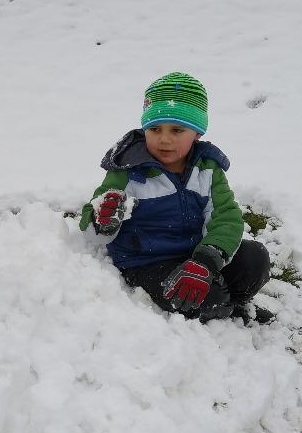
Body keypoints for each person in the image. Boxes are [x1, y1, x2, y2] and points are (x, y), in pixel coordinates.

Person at [79, 72, 271, 323]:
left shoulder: (208, 170)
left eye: (177, 130)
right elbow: (91, 230)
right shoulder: (128, 172)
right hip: (148, 262)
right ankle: (226, 311)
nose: (164, 139)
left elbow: (226, 217)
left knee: (254, 258)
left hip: (196, 254)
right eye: (155, 128)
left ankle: (231, 302)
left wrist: (206, 261)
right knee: (202, 297)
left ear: (197, 133)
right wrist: (102, 219)